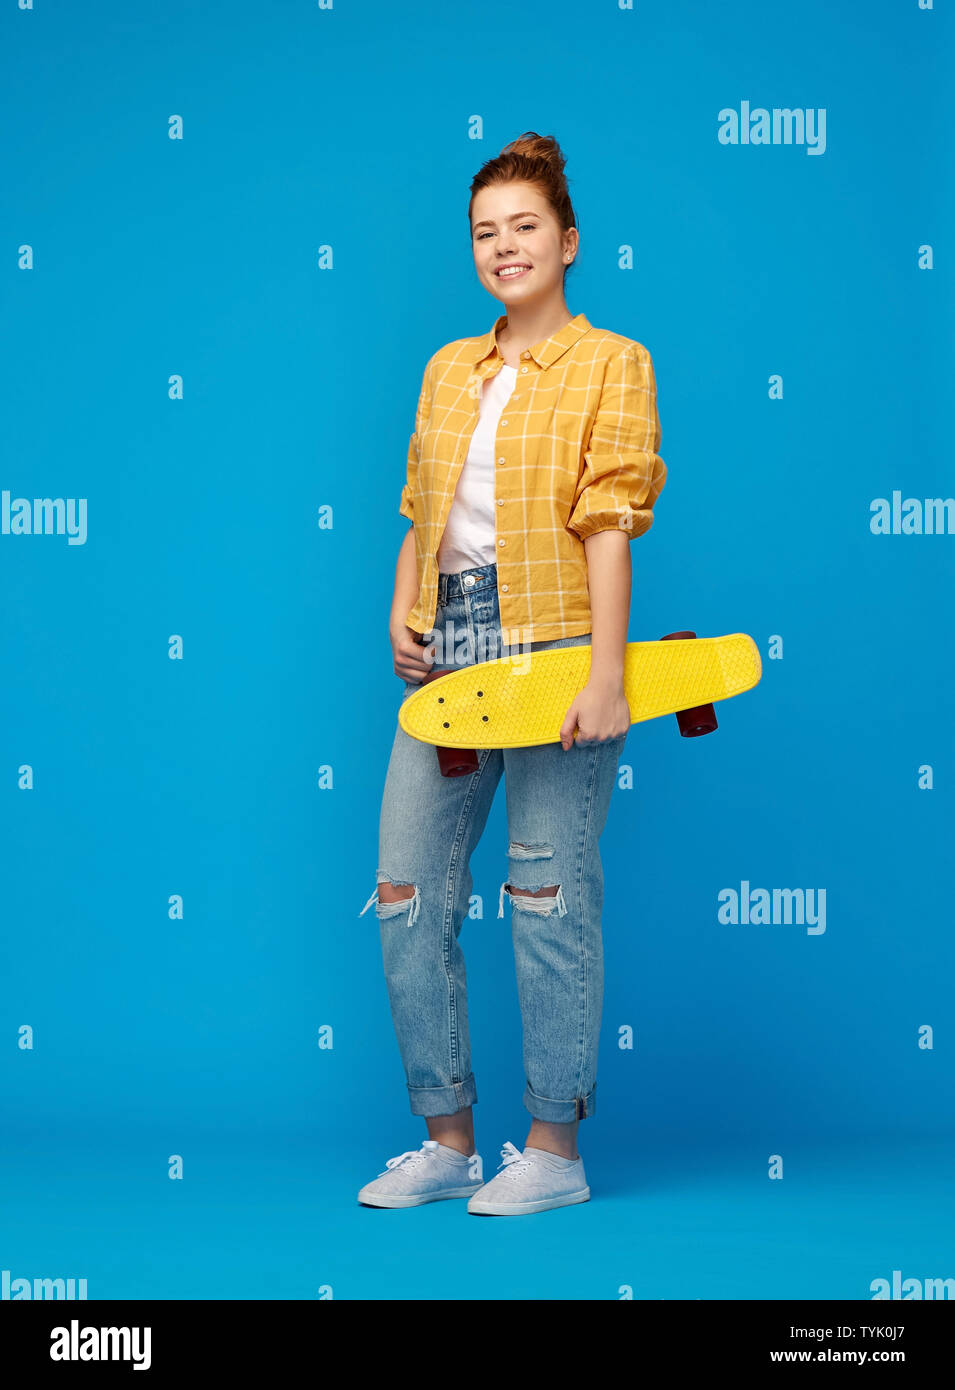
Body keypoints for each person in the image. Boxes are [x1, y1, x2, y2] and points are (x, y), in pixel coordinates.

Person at [357, 131, 666, 1216]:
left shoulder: (610, 362)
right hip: (454, 654)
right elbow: (420, 514)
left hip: (558, 649)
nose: (503, 246)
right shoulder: (450, 368)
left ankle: (553, 1151)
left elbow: (611, 523)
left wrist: (608, 675)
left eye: (524, 226)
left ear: (568, 240)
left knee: (542, 890)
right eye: (485, 232)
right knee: (405, 891)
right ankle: (448, 1141)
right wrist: (405, 611)